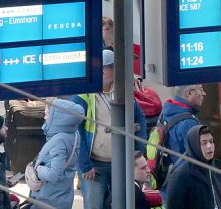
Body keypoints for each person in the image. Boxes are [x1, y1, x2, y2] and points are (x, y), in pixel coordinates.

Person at [73, 50, 148, 209]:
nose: (115, 71)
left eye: (111, 68)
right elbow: (76, 130)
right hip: (94, 165)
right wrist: (85, 164)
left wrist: (139, 152)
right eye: (110, 67)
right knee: (95, 204)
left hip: (122, 162)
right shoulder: (83, 94)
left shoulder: (123, 90)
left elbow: (139, 119)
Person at [28, 99, 84, 209]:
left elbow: (54, 174)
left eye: (47, 114)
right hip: (64, 194)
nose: (44, 118)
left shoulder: (59, 140)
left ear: (57, 119)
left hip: (49, 197)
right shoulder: (74, 134)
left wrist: (38, 169)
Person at [165, 125, 221, 209]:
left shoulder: (217, 169)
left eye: (211, 141)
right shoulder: (181, 176)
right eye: (204, 143)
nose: (209, 146)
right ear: (194, 145)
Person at [159, 84, 205, 168]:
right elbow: (198, 159)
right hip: (186, 175)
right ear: (189, 93)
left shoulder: (165, 112)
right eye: (201, 90)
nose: (204, 93)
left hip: (171, 170)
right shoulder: (189, 123)